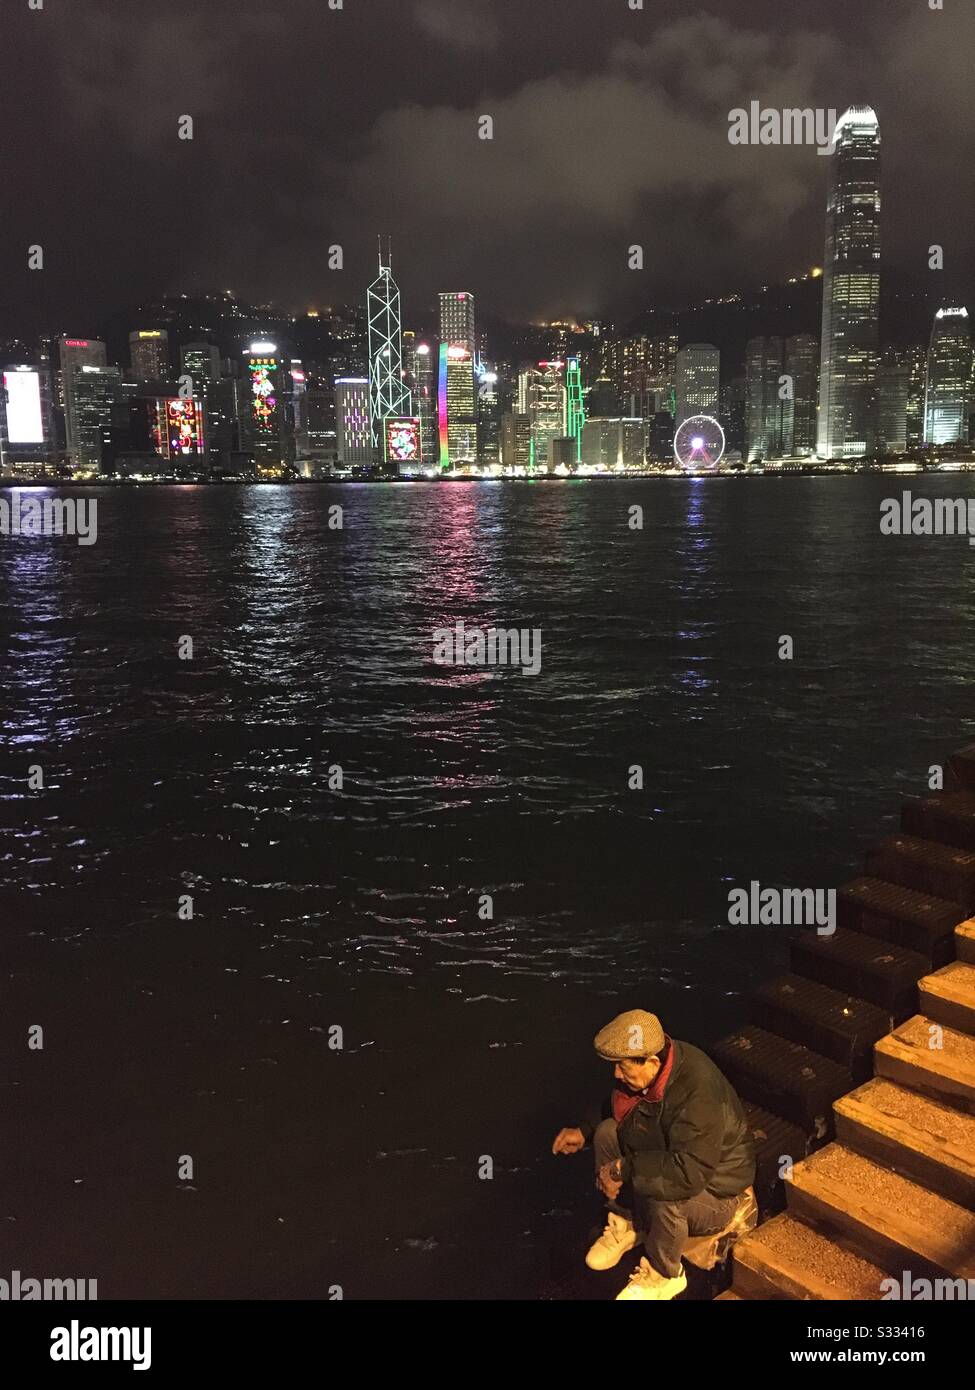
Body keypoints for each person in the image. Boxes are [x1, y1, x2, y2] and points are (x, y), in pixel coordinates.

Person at [552, 1009, 756, 1301]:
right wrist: (584, 1131)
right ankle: (628, 1221)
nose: (616, 1074)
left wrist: (621, 1168)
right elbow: (622, 1107)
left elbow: (688, 1173)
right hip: (675, 1157)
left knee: (664, 1187)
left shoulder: (698, 1093)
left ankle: (665, 1275)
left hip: (716, 1191)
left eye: (622, 1067)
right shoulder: (651, 1072)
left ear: (652, 1062)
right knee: (608, 1133)